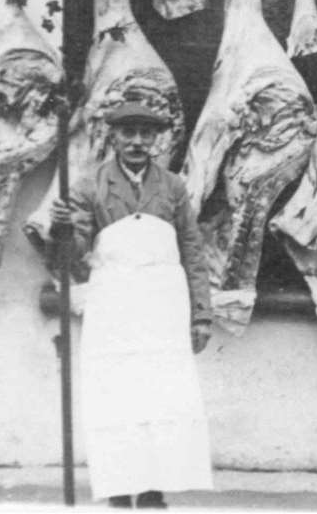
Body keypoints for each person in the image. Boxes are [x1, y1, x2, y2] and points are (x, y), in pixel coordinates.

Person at [49, 101, 213, 509]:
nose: (137, 141)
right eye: (128, 133)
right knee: (117, 400)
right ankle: (119, 493)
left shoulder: (173, 187)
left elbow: (192, 250)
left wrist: (201, 314)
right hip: (115, 312)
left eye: (146, 133)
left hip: (163, 310)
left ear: (158, 139)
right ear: (114, 137)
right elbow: (74, 257)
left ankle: (154, 492)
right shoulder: (90, 187)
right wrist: (62, 230)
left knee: (161, 398)